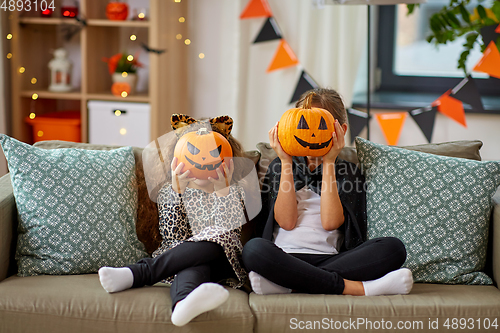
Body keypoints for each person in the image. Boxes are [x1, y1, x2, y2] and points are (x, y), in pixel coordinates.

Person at [242, 88, 413, 296]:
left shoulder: (348, 171)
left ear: (340, 129)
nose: (311, 133)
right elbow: (286, 222)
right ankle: (357, 288)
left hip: (332, 259)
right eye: (303, 124)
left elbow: (330, 223)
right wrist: (286, 162)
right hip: (283, 256)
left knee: (394, 248)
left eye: (321, 125)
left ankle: (288, 284)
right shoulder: (280, 166)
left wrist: (329, 162)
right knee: (253, 249)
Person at [98, 114, 248, 327]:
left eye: (213, 153)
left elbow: (229, 233)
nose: (203, 159)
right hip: (183, 262)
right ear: (177, 157)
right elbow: (173, 237)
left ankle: (139, 273)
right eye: (193, 152)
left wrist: (222, 190)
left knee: (215, 239)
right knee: (191, 270)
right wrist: (177, 192)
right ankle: (181, 305)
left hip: (222, 261)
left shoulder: (232, 192)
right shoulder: (171, 192)